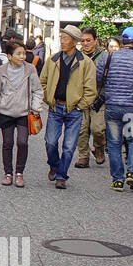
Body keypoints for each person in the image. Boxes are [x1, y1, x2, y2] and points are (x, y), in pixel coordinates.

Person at [95, 26, 133, 192]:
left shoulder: (109, 57)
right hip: (132, 107)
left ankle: (118, 179)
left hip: (112, 106)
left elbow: (99, 77)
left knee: (114, 143)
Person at [39, 24, 97, 189]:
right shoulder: (53, 60)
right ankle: (54, 164)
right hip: (56, 106)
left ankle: (61, 175)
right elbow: (42, 81)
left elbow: (91, 89)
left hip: (75, 109)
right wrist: (48, 98)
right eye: (61, 38)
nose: (62, 42)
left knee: (70, 146)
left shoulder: (85, 63)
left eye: (65, 38)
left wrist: (81, 105)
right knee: (50, 142)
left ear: (74, 41)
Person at [0, 41, 44, 187]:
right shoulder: (0, 71)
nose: (22, 56)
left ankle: (19, 173)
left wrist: (36, 107)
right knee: (8, 143)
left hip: (24, 112)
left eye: (23, 53)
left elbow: (38, 90)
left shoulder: (30, 70)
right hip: (5, 112)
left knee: (23, 142)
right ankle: (8, 173)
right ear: (10, 56)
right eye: (19, 54)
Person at [74, 26, 107, 168]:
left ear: (95, 40)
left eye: (88, 40)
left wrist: (103, 96)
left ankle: (99, 148)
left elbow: (109, 79)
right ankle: (83, 157)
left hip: (98, 98)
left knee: (98, 129)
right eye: (83, 41)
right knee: (81, 130)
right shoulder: (77, 56)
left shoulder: (105, 57)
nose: (85, 43)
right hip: (81, 98)